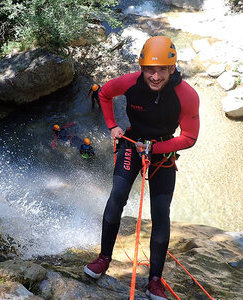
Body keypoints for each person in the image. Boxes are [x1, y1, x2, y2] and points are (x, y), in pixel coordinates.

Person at [83, 36, 200, 300]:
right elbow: (104, 93)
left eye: (161, 69)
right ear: (141, 67)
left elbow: (190, 137)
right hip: (133, 142)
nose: (155, 76)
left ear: (173, 68)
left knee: (160, 212)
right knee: (117, 196)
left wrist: (154, 149)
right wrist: (112, 125)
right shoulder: (130, 82)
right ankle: (103, 259)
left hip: (163, 150)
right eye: (149, 69)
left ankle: (155, 280)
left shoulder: (187, 95)